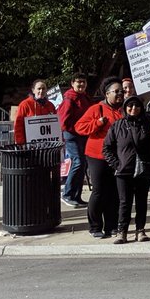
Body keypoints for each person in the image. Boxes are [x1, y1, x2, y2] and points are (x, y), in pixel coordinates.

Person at [103, 96, 150, 244]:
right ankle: (122, 231)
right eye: (130, 106)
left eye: (136, 106)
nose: (133, 108)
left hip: (144, 169)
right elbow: (107, 148)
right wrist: (116, 164)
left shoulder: (149, 123)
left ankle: (140, 230)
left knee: (141, 201)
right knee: (124, 202)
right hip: (124, 170)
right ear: (125, 107)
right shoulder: (117, 125)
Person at [75, 77, 126, 238]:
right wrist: (97, 123)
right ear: (107, 93)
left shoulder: (124, 110)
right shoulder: (96, 109)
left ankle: (112, 226)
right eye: (116, 91)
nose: (120, 94)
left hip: (117, 157)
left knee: (114, 193)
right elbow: (79, 127)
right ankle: (95, 226)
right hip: (97, 156)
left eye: (121, 91)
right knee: (99, 191)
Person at [57, 73, 93, 208]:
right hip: (72, 135)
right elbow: (63, 121)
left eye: (83, 82)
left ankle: (76, 196)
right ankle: (67, 194)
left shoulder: (84, 98)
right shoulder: (69, 99)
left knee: (82, 164)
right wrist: (76, 129)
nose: (81, 84)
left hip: (83, 135)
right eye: (78, 82)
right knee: (78, 162)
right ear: (72, 83)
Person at [13, 78, 56, 144]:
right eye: (39, 89)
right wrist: (20, 142)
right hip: (30, 145)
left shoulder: (50, 105)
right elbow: (18, 125)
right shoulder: (25, 104)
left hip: (48, 145)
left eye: (43, 88)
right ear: (33, 90)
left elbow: (55, 124)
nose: (41, 91)